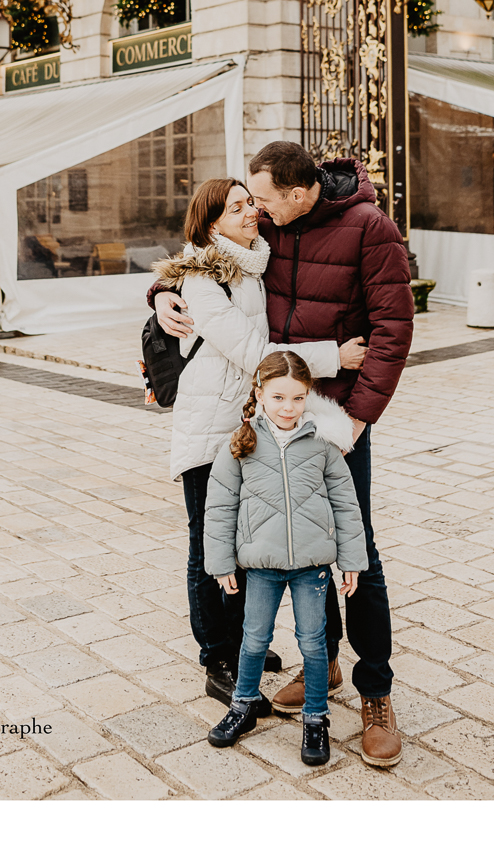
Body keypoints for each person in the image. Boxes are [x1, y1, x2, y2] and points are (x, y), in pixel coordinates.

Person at [152, 142, 413, 767]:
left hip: (334, 418)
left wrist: (358, 418)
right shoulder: (271, 223)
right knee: (295, 543)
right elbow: (201, 256)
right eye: (253, 201)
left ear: (299, 194)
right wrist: (160, 295)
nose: (256, 211)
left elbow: (393, 329)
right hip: (272, 417)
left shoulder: (370, 230)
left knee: (356, 547)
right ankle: (324, 669)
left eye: (263, 199)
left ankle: (376, 690)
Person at [155, 177, 367, 713]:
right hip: (209, 433)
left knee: (245, 540)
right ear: (210, 225)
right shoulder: (205, 281)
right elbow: (254, 351)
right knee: (210, 540)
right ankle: (217, 658)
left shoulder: (255, 263)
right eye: (236, 207)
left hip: (245, 432)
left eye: (251, 201)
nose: (251, 211)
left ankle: (244, 643)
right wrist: (332, 359)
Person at [203, 350, 367, 767]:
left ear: (308, 397)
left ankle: (316, 717)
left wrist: (352, 560)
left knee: (313, 643)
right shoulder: (241, 444)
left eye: (297, 398)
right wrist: (221, 563)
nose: (287, 408)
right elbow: (219, 507)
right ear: (259, 394)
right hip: (261, 567)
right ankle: (242, 706)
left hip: (312, 566)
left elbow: (347, 504)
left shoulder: (323, 445)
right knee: (254, 639)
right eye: (277, 398)